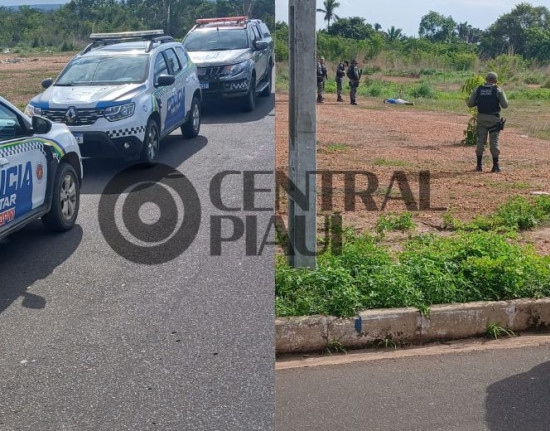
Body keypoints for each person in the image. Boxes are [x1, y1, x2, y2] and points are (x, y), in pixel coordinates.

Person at [466, 72, 509, 172]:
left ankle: (479, 165)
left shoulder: (478, 89)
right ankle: (495, 166)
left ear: (486, 79)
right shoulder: (498, 90)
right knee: (494, 142)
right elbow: (505, 105)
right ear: (496, 80)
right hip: (494, 119)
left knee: (480, 141)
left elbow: (470, 104)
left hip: (481, 119)